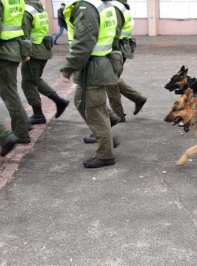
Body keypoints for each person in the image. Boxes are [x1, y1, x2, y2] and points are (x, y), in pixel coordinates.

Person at [60, 0, 122, 168]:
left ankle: (105, 155)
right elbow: (115, 33)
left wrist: (68, 68)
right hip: (98, 64)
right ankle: (109, 130)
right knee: (82, 102)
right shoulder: (103, 4)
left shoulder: (86, 7)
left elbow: (83, 43)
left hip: (92, 67)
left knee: (93, 111)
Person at [82, 0, 147, 144]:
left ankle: (115, 116)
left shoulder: (114, 7)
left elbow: (112, 32)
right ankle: (134, 100)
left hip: (113, 50)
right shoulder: (119, 6)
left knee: (108, 82)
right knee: (111, 80)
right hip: (118, 49)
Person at [21, 0, 69, 125]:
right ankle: (59, 101)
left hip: (34, 52)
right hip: (43, 49)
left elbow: (25, 35)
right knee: (35, 79)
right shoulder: (39, 8)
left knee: (28, 83)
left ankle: (38, 114)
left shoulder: (26, 10)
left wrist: (25, 54)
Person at [0, 0, 32, 144]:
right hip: (14, 50)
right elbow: (24, 26)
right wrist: (25, 52)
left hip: (4, 53)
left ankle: (21, 133)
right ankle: (25, 125)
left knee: (9, 94)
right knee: (11, 91)